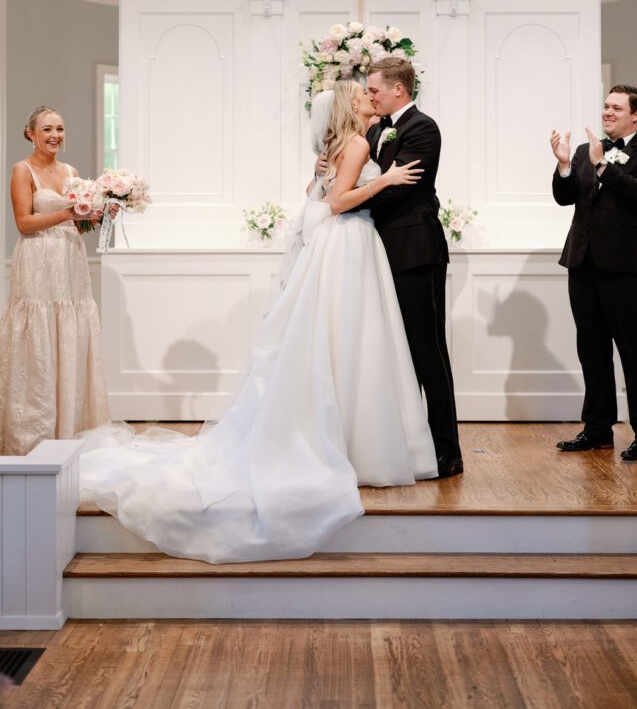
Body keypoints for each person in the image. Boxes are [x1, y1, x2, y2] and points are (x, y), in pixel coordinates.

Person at [78, 82, 437, 563]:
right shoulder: (354, 144)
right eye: (363, 94)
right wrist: (384, 182)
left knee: (342, 340)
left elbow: (319, 193)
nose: (370, 97)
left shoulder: (342, 144)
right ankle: (356, 444)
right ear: (351, 106)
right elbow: (336, 201)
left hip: (344, 243)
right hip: (349, 240)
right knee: (352, 341)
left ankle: (348, 436)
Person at [551, 85, 637, 461]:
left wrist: (604, 165)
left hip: (627, 267)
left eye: (616, 108)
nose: (607, 112)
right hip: (583, 262)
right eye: (605, 106)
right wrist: (565, 164)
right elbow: (564, 196)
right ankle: (598, 429)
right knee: (591, 349)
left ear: (635, 115)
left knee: (635, 352)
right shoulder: (588, 150)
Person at [364, 57, 462, 478]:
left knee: (428, 351)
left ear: (398, 89)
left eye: (374, 90)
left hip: (414, 250)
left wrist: (353, 197)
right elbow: (371, 173)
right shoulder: (374, 129)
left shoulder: (422, 128)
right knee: (393, 353)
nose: (370, 97)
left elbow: (403, 188)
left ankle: (447, 451)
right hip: (378, 249)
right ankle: (407, 443)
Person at [0, 106, 110, 456]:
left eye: (60, 129)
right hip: (36, 262)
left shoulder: (71, 171)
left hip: (70, 262)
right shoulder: (23, 170)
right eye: (47, 129)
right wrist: (68, 212)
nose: (55, 135)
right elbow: (23, 223)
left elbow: (79, 225)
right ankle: (34, 436)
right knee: (40, 340)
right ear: (31, 133)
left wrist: (99, 213)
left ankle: (73, 430)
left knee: (71, 334)